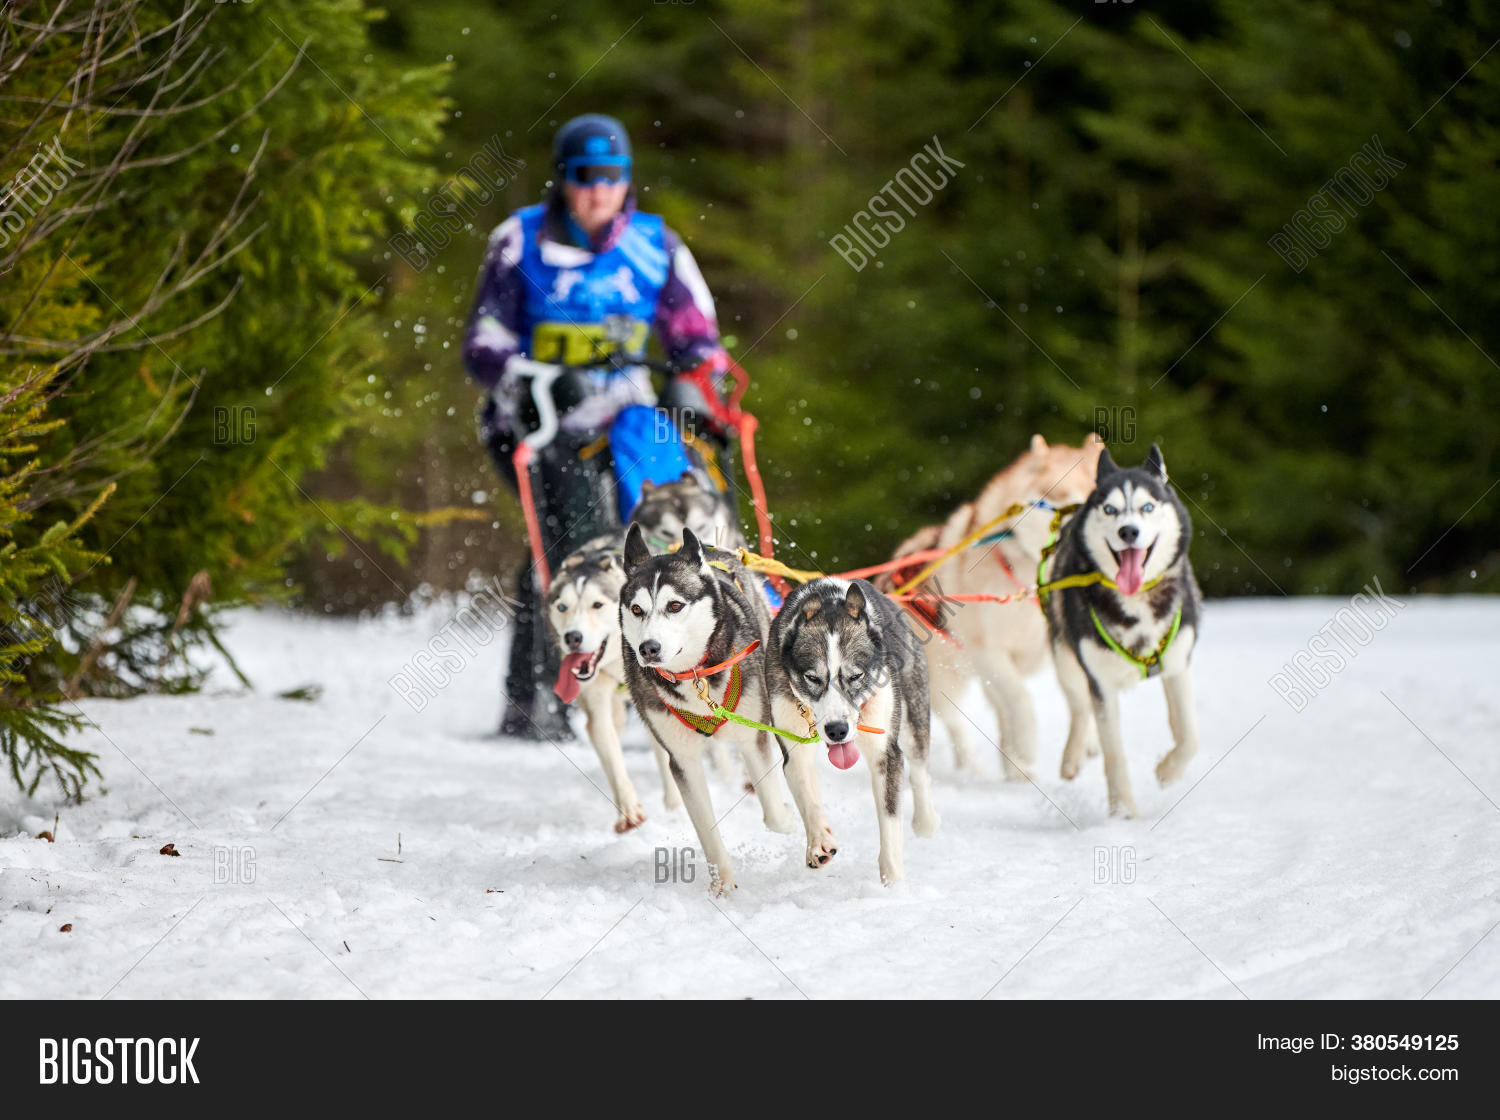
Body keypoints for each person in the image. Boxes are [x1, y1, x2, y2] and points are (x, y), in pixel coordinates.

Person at [462, 113, 735, 739]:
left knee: (673, 531)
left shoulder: (656, 245)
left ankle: (670, 691)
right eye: (584, 178)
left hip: (629, 423)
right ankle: (536, 703)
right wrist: (532, 378)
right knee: (574, 540)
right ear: (562, 179)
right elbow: (483, 342)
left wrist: (696, 387)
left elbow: (697, 335)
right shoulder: (520, 240)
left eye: (611, 177)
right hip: (534, 426)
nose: (597, 191)